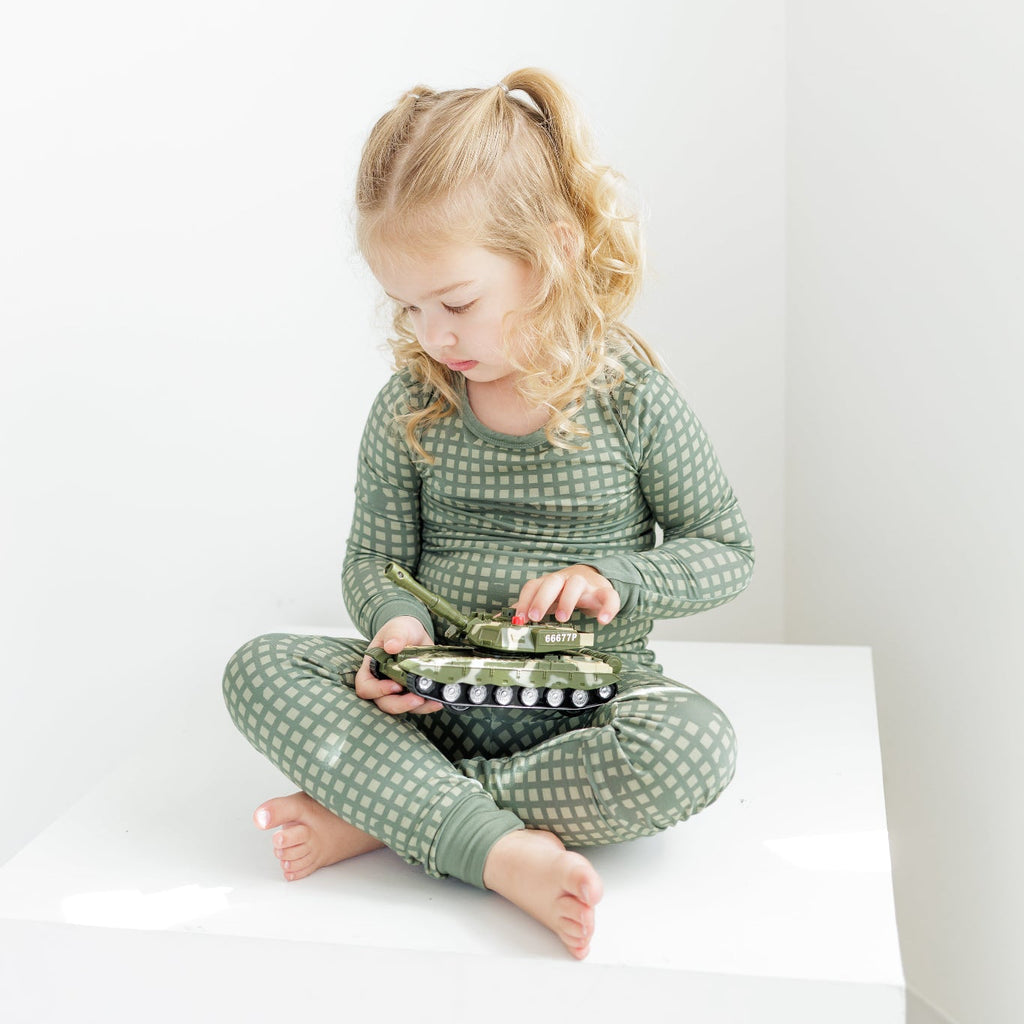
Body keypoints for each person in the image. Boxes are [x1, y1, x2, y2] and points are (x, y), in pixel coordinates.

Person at [222, 68, 754, 961]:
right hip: (431, 703)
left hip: (586, 707)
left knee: (693, 747)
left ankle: (400, 815)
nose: (435, 336)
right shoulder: (410, 406)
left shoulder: (627, 397)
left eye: (457, 303)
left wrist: (615, 580)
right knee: (260, 665)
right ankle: (496, 844)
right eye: (408, 308)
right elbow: (372, 560)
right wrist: (392, 628)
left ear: (552, 252)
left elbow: (724, 550)